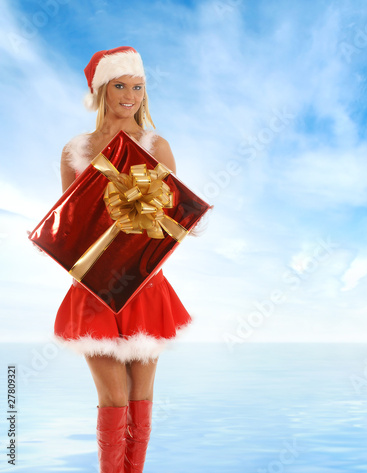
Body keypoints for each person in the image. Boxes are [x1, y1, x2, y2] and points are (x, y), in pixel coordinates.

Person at [54, 46, 192, 473]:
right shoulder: (75, 150)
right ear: (102, 90)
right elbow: (69, 220)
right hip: (94, 285)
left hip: (145, 284)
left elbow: (175, 218)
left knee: (140, 397)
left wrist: (140, 248)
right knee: (112, 397)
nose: (129, 95)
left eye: (137, 86)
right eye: (120, 85)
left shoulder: (156, 145)